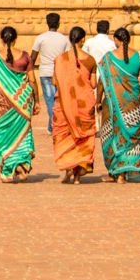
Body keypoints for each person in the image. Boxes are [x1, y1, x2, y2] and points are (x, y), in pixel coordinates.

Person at [93, 26, 140, 182]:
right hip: (133, 106)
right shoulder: (139, 57)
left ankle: (116, 172)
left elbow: (101, 82)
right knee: (130, 138)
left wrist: (98, 101)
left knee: (112, 137)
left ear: (116, 40)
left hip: (113, 106)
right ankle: (124, 172)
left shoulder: (108, 58)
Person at [0, 25, 37, 183]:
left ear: (1, 39)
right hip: (21, 101)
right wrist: (37, 100)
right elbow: (32, 80)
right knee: (22, 133)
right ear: (16, 38)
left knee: (1, 135)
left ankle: (10, 165)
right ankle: (20, 164)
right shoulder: (25, 56)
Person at [51, 25, 98, 183]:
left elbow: (54, 81)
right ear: (83, 39)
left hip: (64, 106)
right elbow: (93, 84)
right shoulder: (90, 60)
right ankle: (77, 175)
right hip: (85, 106)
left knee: (64, 137)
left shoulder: (60, 59)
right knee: (82, 139)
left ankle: (68, 170)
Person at [30, 12, 71, 136]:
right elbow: (68, 58)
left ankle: (53, 127)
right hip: (60, 72)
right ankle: (53, 126)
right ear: (58, 24)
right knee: (58, 101)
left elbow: (32, 58)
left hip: (45, 73)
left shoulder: (41, 38)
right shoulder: (64, 39)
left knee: (50, 101)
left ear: (47, 23)